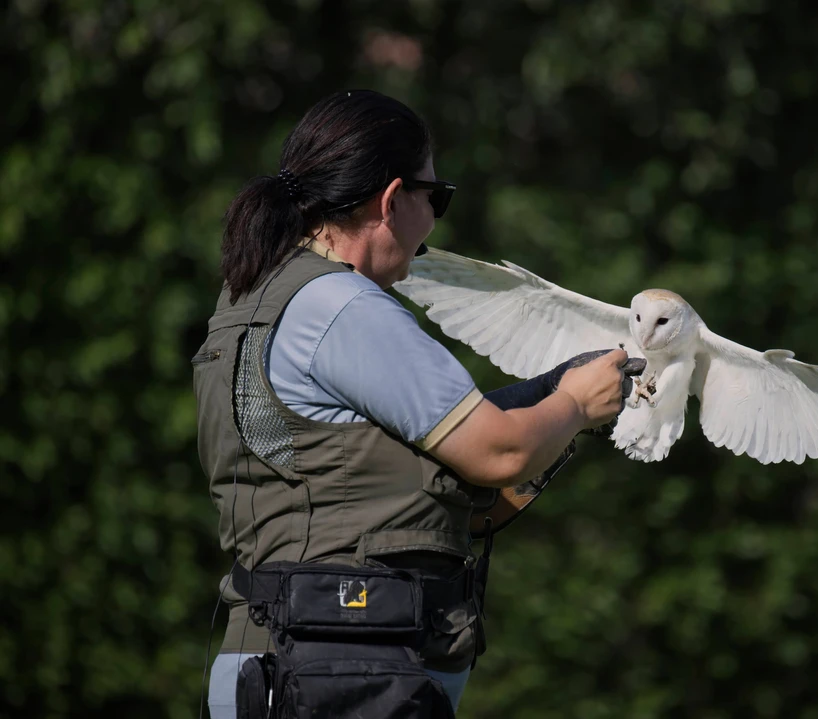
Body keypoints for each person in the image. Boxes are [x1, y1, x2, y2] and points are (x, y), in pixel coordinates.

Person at [192, 89, 633, 718]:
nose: (433, 222)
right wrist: (576, 405)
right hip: (342, 672)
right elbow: (500, 451)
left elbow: (378, 462)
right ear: (393, 199)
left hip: (279, 662)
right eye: (437, 197)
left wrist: (544, 393)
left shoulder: (253, 302)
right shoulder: (345, 308)